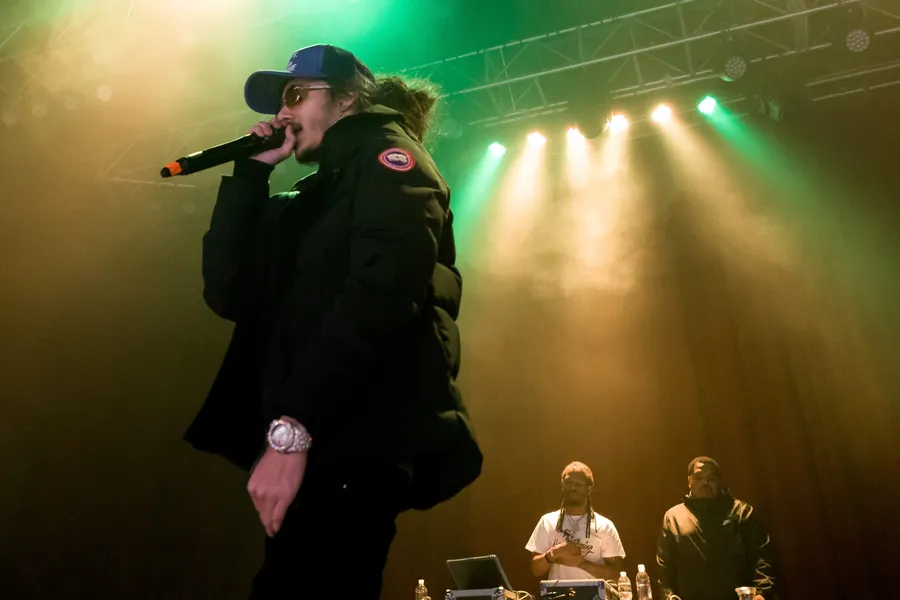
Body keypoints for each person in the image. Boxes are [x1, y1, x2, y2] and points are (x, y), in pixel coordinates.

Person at [183, 44, 482, 599]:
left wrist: (293, 430)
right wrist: (250, 176)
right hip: (321, 442)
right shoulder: (317, 193)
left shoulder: (391, 159)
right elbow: (230, 291)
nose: (283, 112)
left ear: (347, 99)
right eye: (281, 100)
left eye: (296, 94)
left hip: (353, 442)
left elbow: (382, 296)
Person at [656, 457, 775, 600]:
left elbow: (761, 557)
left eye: (711, 478)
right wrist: (668, 597)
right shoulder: (673, 517)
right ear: (689, 481)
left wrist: (761, 592)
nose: (705, 482)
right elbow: (665, 567)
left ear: (719, 481)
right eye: (699, 477)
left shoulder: (741, 512)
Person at [526, 461, 626, 581]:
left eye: (578, 484)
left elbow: (616, 575)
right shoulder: (547, 521)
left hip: (594, 592)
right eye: (568, 483)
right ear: (562, 485)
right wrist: (554, 553)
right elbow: (535, 570)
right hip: (557, 592)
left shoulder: (605, 526)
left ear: (589, 489)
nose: (573, 488)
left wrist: (580, 563)